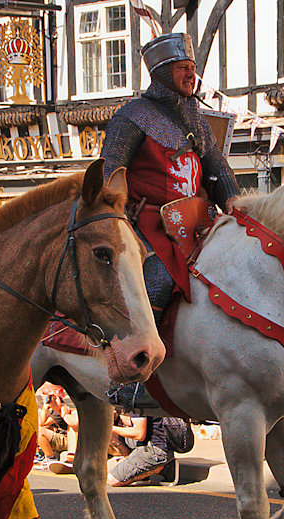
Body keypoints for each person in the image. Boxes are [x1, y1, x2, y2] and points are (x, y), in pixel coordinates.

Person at [100, 32, 239, 409]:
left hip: (196, 219)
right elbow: (110, 172)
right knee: (157, 278)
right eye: (182, 69)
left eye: (193, 69)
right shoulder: (132, 116)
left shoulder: (194, 114)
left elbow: (216, 167)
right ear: (161, 73)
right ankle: (135, 376)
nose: (190, 76)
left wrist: (236, 202)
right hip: (149, 223)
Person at [107, 413, 172, 486]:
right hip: (146, 443)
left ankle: (158, 468)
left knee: (113, 480)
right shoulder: (138, 404)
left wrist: (108, 427)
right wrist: (118, 418)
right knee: (112, 436)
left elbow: (139, 434)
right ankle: (132, 467)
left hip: (156, 450)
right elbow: (137, 421)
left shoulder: (138, 402)